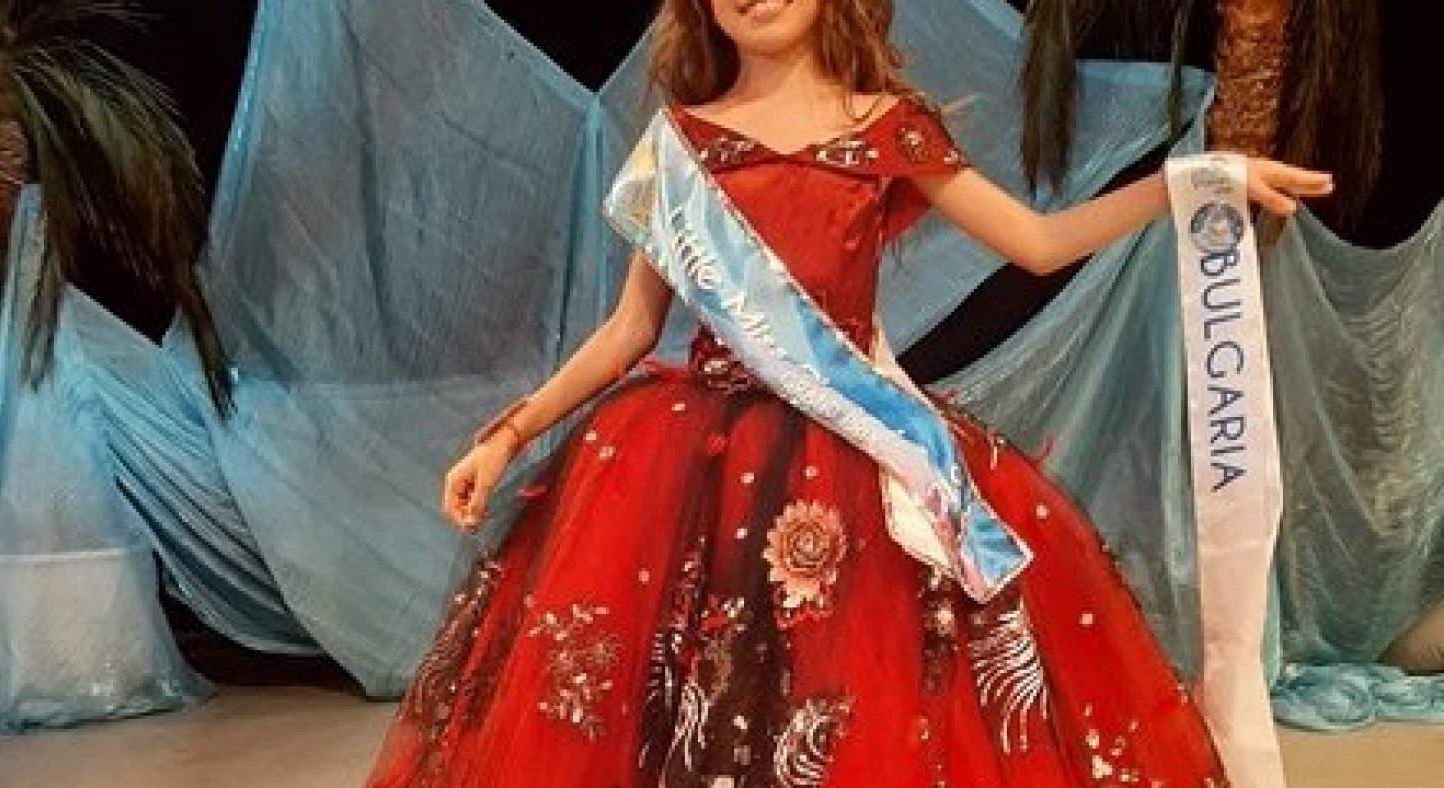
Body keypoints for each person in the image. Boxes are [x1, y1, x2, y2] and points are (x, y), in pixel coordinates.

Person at [366, 1, 1331, 785]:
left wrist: (1194, 183)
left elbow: (1038, 244)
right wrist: (509, 434)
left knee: (846, 694)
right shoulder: (680, 147)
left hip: (856, 454)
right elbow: (628, 332)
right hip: (687, 464)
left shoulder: (887, 127)